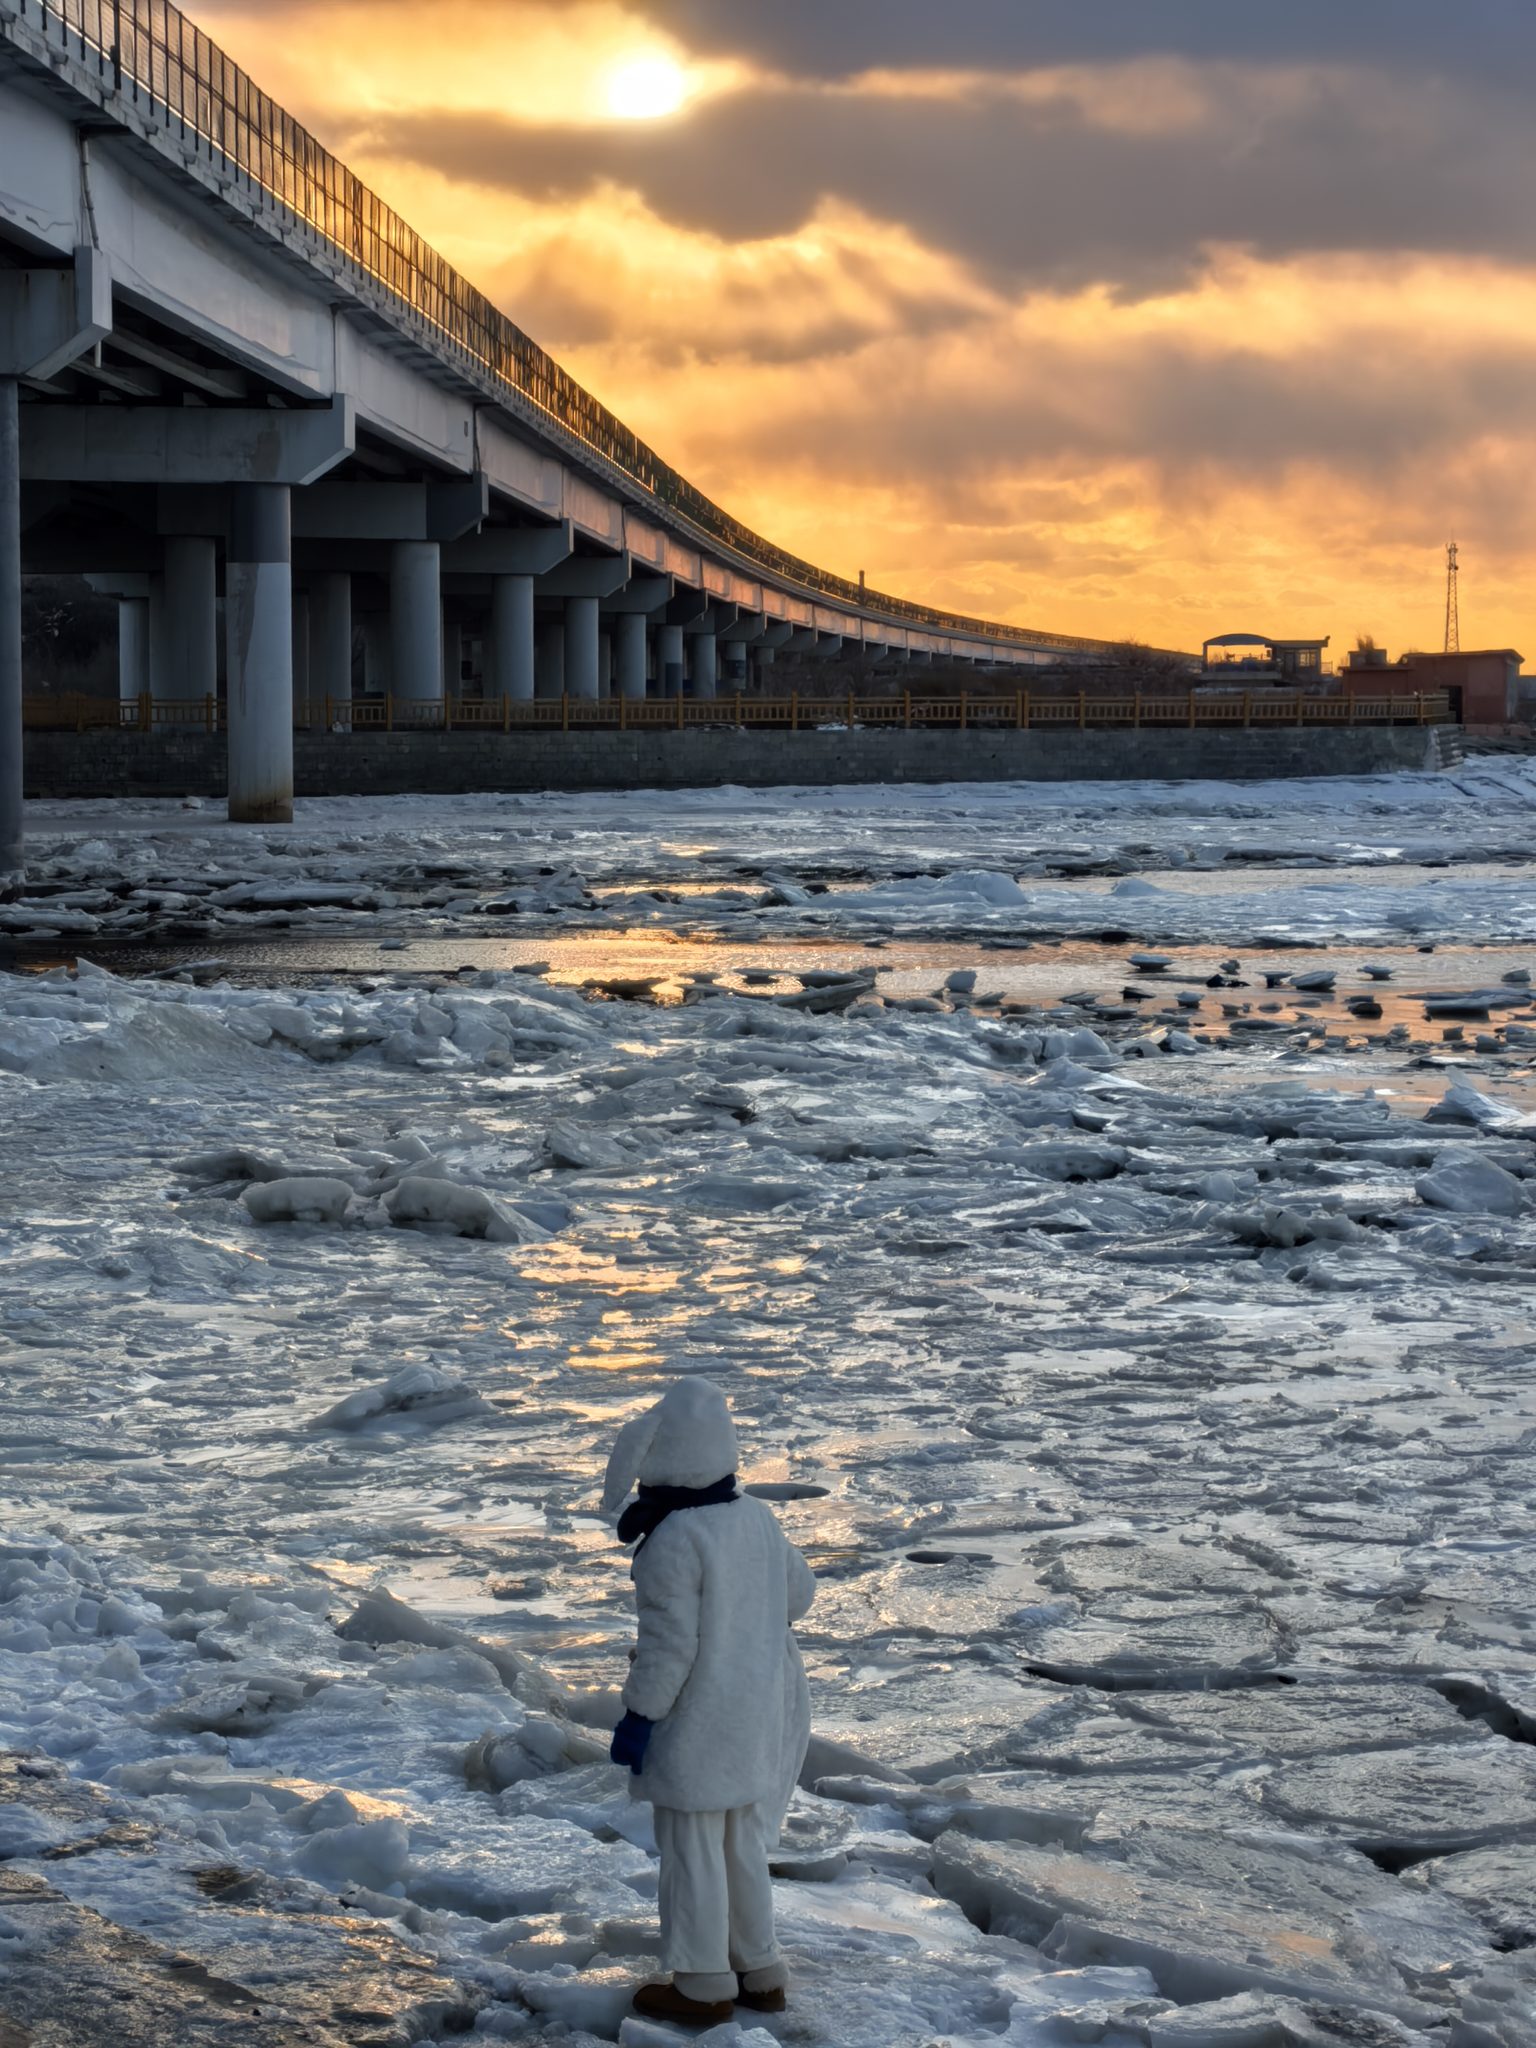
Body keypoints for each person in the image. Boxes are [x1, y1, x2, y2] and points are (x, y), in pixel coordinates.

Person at [603, 1378, 816, 2026]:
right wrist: (746, 1620)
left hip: (695, 1727)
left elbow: (670, 1651)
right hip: (753, 1717)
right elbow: (799, 1595)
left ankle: (700, 1983)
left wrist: (639, 1717)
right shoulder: (755, 1516)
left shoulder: (672, 1540)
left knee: (692, 1850)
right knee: (741, 1846)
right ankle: (761, 1971)